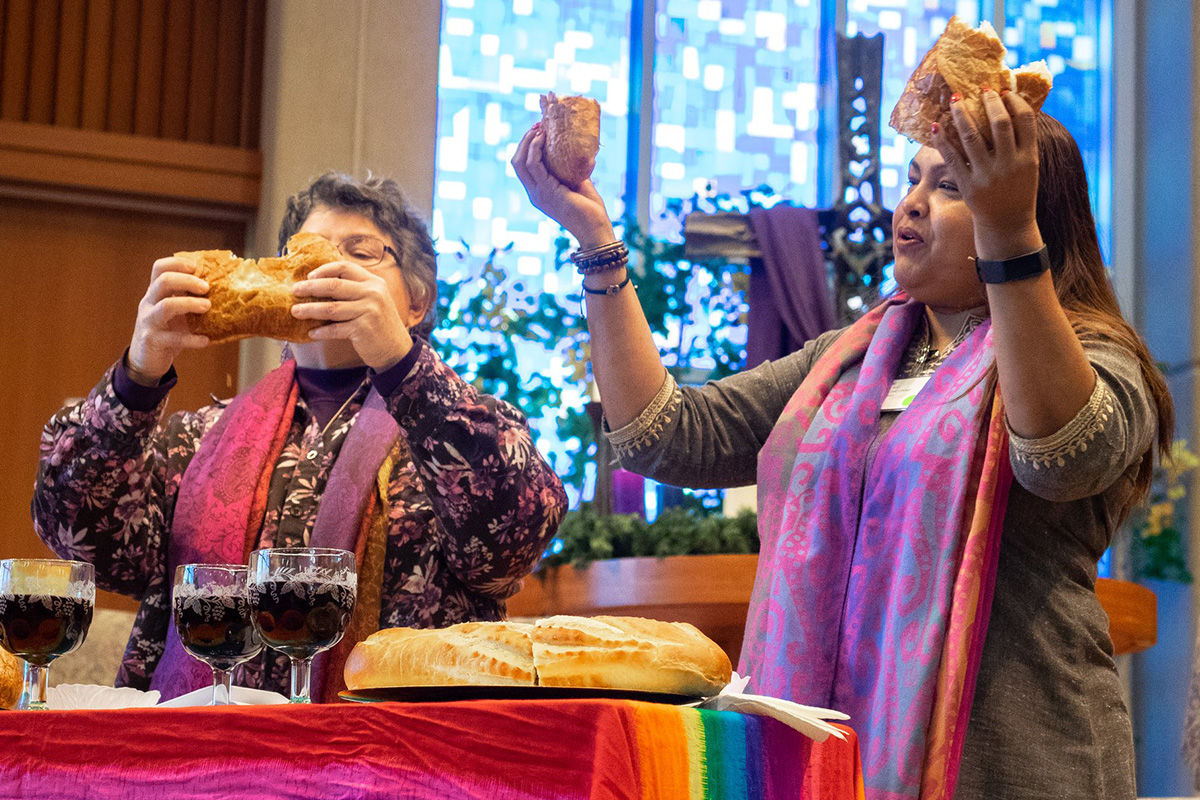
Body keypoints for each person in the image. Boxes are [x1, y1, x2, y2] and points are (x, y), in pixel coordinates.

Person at [514, 93, 1173, 800]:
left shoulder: (1094, 355)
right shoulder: (847, 365)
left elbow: (1061, 456)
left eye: (950, 186)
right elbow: (667, 437)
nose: (912, 204)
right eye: (913, 180)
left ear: (1029, 210)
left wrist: (1008, 236)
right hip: (833, 762)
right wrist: (594, 241)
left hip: (1014, 761)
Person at [33, 172, 567, 702]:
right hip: (205, 762)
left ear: (417, 302)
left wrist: (404, 368)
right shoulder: (198, 438)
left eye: (361, 252)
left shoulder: (462, 429)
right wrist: (137, 378)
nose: (327, 267)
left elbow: (516, 535)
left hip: (390, 762)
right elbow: (77, 533)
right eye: (304, 253)